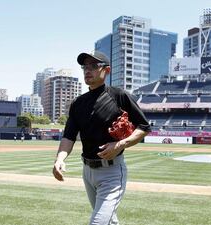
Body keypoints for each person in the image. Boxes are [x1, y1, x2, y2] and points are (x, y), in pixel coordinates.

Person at [52, 50, 151, 225]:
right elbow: (69, 136)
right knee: (109, 221)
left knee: (98, 222)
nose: (87, 70)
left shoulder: (119, 96)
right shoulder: (77, 103)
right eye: (85, 66)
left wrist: (121, 144)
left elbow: (144, 127)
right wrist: (60, 159)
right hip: (87, 171)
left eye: (94, 66)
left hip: (112, 173)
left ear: (107, 70)